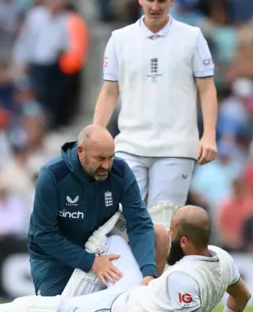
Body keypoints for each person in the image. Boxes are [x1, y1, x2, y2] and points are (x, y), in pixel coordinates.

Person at [0, 206, 251, 312]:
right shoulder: (222, 257)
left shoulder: (184, 277)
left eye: (173, 229)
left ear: (184, 242)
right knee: (117, 243)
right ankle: (69, 303)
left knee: (35, 310)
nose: (168, 232)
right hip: (131, 295)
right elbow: (242, 296)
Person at [92, 0, 219, 230]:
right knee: (120, 223)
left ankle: (155, 273)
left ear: (172, 0)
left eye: (162, 1)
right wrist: (96, 134)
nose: (154, 7)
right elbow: (109, 91)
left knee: (162, 225)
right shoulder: (120, 39)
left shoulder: (192, 36)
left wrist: (209, 135)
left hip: (176, 147)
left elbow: (207, 89)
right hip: (130, 145)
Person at [28, 124, 170, 298]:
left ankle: (152, 300)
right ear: (81, 151)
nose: (107, 165)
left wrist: (149, 273)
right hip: (56, 257)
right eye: (100, 158)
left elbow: (139, 222)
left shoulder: (121, 171)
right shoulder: (52, 175)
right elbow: (43, 235)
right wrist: (92, 262)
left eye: (111, 157)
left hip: (102, 242)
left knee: (160, 234)